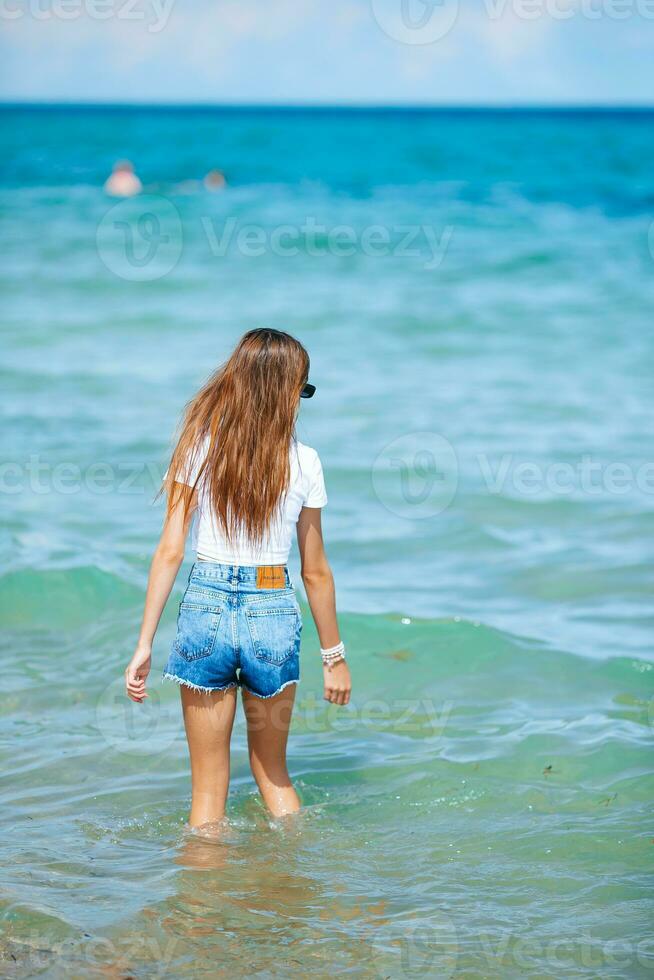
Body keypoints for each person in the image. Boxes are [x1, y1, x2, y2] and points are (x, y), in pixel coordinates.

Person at [124, 329, 351, 828]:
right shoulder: (305, 462)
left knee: (207, 792)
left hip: (204, 606)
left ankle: (201, 905)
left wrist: (143, 645)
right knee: (273, 774)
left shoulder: (198, 447)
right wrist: (334, 659)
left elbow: (169, 551)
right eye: (303, 390)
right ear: (286, 391)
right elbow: (315, 571)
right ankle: (297, 882)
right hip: (272, 609)